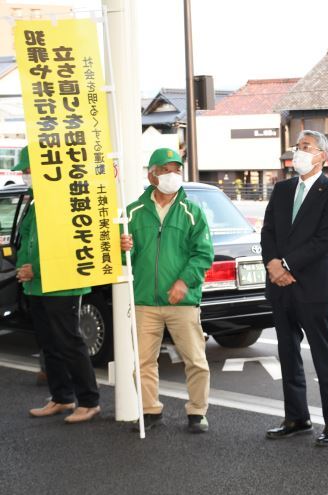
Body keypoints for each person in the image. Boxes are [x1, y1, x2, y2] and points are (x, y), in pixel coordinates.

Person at [261, 130, 328, 446]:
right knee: (287, 353)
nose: (298, 152)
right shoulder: (282, 189)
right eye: (297, 146)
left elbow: (325, 239)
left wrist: (286, 265)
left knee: (324, 355)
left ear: (322, 156)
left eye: (305, 147)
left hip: (312, 287)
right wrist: (272, 264)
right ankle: (296, 418)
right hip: (281, 288)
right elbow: (268, 231)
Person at [120, 148, 214, 433]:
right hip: (144, 299)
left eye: (176, 169)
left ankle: (197, 412)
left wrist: (184, 281)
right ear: (152, 175)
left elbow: (203, 254)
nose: (172, 175)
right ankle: (150, 410)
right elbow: (121, 259)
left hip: (183, 301)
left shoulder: (192, 212)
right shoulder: (132, 212)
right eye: (165, 170)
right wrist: (122, 247)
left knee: (195, 360)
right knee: (144, 361)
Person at [15, 146, 101, 423]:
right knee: (49, 343)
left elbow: (69, 246)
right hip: (37, 286)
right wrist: (24, 268)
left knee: (69, 342)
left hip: (62, 284)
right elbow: (28, 240)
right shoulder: (37, 200)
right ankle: (62, 397)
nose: (25, 176)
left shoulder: (63, 199)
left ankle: (89, 401)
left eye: (28, 170)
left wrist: (34, 269)